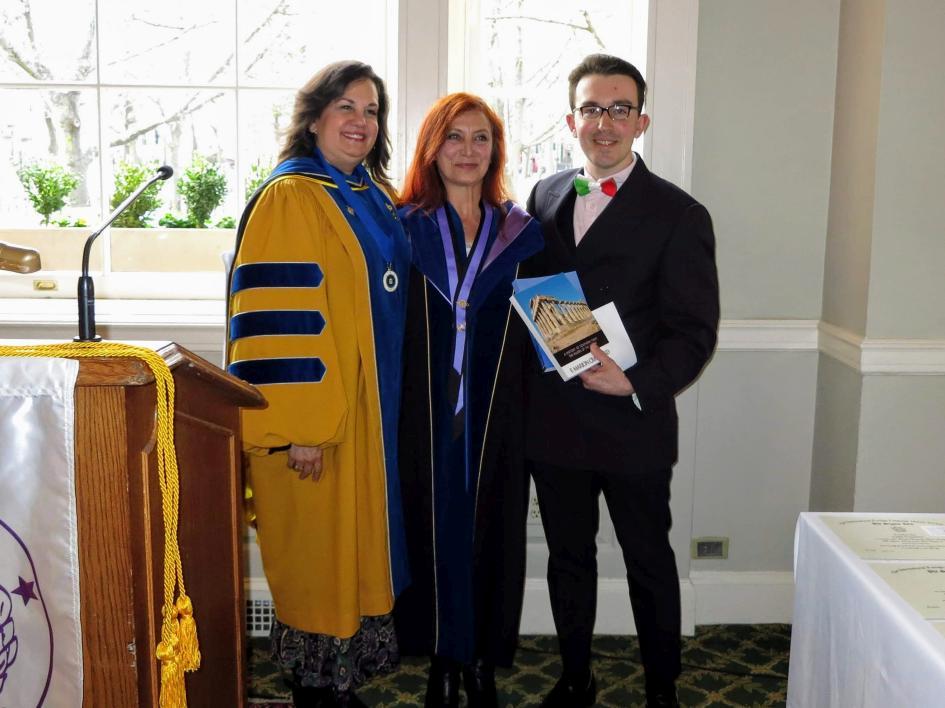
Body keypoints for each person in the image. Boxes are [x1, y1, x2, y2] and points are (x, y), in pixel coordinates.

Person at [523, 54, 720, 708]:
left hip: (634, 422)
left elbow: (693, 331)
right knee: (567, 558)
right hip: (555, 421)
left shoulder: (679, 213)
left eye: (618, 109)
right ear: (570, 120)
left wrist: (634, 381)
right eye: (591, 109)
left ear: (641, 122)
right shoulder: (543, 195)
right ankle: (575, 676)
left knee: (648, 562)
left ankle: (661, 689)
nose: (603, 123)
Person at [225, 60, 410, 708]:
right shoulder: (292, 196)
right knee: (316, 562)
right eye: (346, 107)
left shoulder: (370, 196)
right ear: (313, 119)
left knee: (348, 559)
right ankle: (314, 691)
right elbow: (283, 322)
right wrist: (301, 429)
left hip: (368, 418)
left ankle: (338, 686)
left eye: (371, 110)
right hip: (318, 425)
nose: (361, 121)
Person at [394, 93, 544, 708]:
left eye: (481, 138)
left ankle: (482, 660)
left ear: (496, 151)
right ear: (432, 148)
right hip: (424, 411)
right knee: (432, 529)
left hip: (496, 411)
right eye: (453, 137)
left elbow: (552, 313)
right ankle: (442, 660)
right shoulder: (403, 230)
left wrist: (592, 363)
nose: (467, 150)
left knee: (492, 530)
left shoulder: (522, 234)